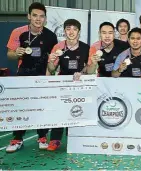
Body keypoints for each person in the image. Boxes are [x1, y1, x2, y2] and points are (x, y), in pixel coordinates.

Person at [5, 2, 58, 153]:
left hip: (42, 76)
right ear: (29, 16)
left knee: (41, 108)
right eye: (35, 15)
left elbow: (52, 59)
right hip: (23, 75)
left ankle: (42, 137)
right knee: (21, 108)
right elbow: (9, 54)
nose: (38, 19)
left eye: (41, 16)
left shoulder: (51, 36)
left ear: (45, 19)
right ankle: (17, 139)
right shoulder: (18, 32)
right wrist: (17, 53)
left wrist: (49, 76)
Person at [45, 19, 89, 151]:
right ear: (64, 31)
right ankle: (55, 140)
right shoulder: (58, 47)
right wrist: (51, 61)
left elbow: (89, 68)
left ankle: (73, 138)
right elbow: (52, 69)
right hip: (62, 85)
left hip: (79, 86)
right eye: (68, 29)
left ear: (79, 32)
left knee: (77, 111)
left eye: (74, 29)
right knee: (60, 112)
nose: (71, 32)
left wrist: (82, 73)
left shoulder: (86, 48)